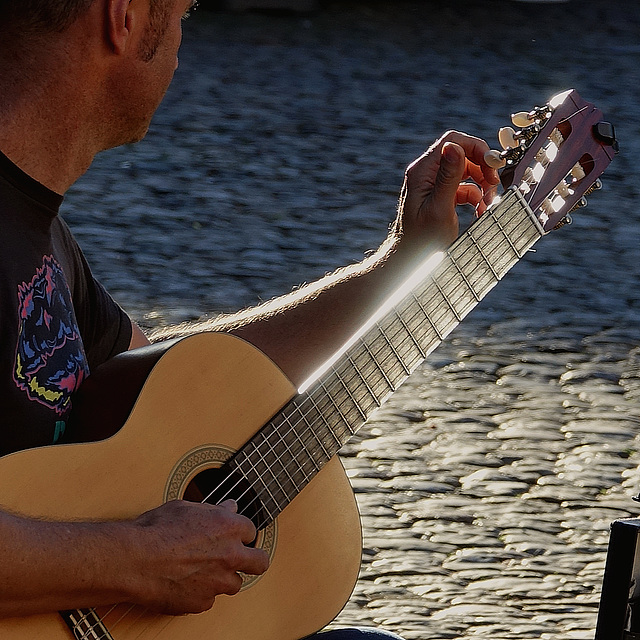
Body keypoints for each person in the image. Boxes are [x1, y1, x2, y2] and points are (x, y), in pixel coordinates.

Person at [0, 0, 499, 637]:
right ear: (121, 18)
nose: (183, 39)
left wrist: (399, 265)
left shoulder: (40, 236)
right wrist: (135, 559)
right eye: (180, 12)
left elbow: (178, 392)